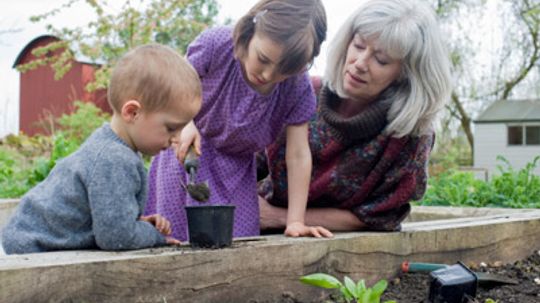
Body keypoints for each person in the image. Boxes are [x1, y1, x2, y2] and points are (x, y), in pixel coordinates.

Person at [145, 0, 333, 241]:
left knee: (239, 244)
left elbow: (298, 154)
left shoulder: (296, 87)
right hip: (187, 157)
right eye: (263, 59)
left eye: (282, 72)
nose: (267, 75)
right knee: (174, 241)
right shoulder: (216, 46)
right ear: (249, 32)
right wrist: (185, 123)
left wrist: (295, 220)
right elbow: (173, 89)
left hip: (237, 175)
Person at [257, 0, 453, 232]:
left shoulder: (409, 136)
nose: (360, 64)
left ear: (405, 74)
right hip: (255, 234)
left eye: (381, 60)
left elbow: (377, 216)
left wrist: (279, 217)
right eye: (359, 46)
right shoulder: (301, 94)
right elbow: (243, 157)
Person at [1, 44, 202, 254]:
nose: (176, 139)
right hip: (34, 249)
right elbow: (116, 238)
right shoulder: (115, 159)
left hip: (35, 240)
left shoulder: (110, 146)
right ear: (132, 113)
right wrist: (155, 236)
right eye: (171, 128)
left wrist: (136, 222)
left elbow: (103, 218)